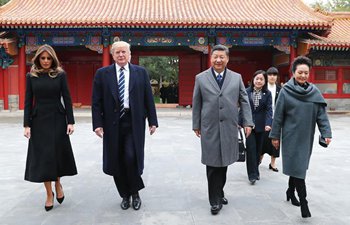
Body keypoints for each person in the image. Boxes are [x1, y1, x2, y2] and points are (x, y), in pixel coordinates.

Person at [91, 41, 158, 211]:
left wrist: (152, 121)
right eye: (117, 52)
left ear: (130, 54)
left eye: (124, 52)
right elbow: (96, 102)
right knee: (116, 159)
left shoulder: (140, 73)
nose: (121, 55)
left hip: (133, 120)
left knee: (130, 156)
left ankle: (135, 192)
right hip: (112, 123)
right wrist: (97, 124)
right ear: (112, 55)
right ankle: (124, 194)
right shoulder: (102, 74)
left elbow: (148, 98)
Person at [192, 44, 253, 215]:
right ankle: (214, 200)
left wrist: (247, 122)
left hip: (229, 126)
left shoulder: (236, 77)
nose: (218, 60)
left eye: (222, 57)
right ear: (211, 58)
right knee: (212, 164)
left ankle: (219, 190)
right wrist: (196, 124)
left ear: (227, 59)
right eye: (215, 57)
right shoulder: (201, 78)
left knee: (224, 162)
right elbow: (197, 103)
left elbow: (244, 101)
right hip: (209, 127)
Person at [270, 56, 332, 218]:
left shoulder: (314, 92)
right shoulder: (285, 91)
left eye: (306, 73)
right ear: (293, 73)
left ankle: (290, 191)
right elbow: (278, 116)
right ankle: (304, 204)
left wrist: (326, 133)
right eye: (300, 72)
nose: (303, 75)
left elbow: (322, 116)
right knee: (298, 168)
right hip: (290, 137)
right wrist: (275, 136)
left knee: (298, 167)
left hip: (306, 137)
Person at [23, 44, 77, 211]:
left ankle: (58, 183)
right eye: (42, 58)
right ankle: (48, 193)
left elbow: (67, 98)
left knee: (57, 154)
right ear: (38, 59)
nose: (45, 61)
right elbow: (27, 101)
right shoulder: (31, 76)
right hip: (39, 120)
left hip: (58, 118)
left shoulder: (60, 75)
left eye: (48, 58)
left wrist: (70, 121)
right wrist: (26, 124)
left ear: (53, 59)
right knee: (44, 158)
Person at [243, 70, 272, 184]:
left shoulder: (267, 94)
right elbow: (242, 108)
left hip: (261, 126)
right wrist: (240, 122)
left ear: (264, 81)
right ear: (253, 79)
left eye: (261, 79)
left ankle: (256, 170)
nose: (259, 81)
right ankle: (252, 175)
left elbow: (269, 109)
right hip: (248, 125)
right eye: (257, 78)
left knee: (258, 150)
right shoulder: (246, 92)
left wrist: (268, 123)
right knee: (250, 149)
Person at [260, 67, 281, 172]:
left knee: (276, 141)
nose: (272, 77)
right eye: (270, 75)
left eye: (274, 75)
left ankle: (273, 163)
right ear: (267, 76)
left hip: (276, 119)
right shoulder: (263, 88)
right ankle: (260, 158)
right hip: (264, 118)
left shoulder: (280, 89)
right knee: (263, 140)